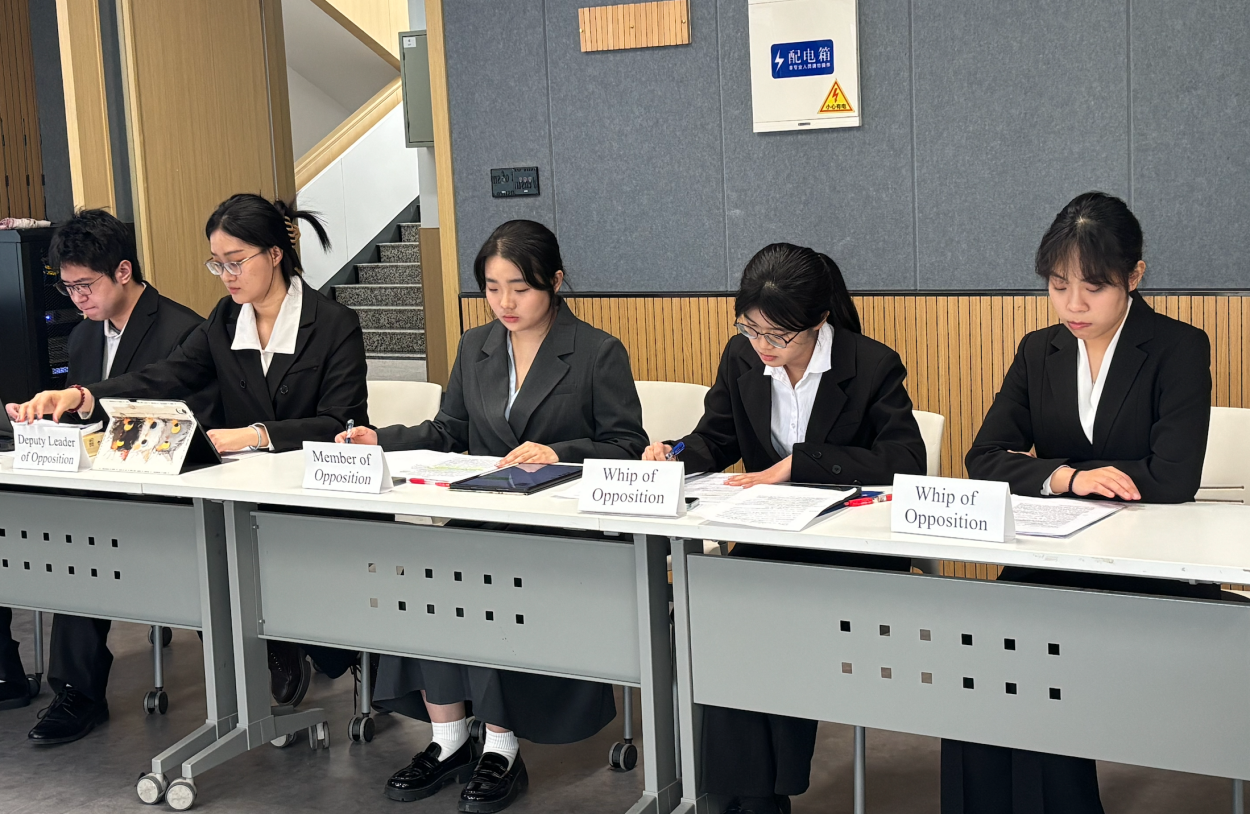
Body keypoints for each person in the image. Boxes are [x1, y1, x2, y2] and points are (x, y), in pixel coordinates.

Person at [338, 219, 648, 813]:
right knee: (423, 576)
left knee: (493, 581)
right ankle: (450, 737)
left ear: (555, 282)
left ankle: (501, 748)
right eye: (492, 287)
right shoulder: (475, 346)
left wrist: (559, 452)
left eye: (520, 288)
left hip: (557, 530)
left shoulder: (596, 351)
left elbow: (628, 445)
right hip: (480, 516)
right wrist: (381, 439)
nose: (505, 302)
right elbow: (449, 432)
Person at [15, 193, 370, 707]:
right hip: (243, 489)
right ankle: (270, 653)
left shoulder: (334, 323)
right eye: (217, 264)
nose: (226, 276)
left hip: (309, 490)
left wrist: (253, 434)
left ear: (274, 254)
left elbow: (341, 421)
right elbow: (169, 375)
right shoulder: (226, 318)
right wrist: (82, 396)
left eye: (235, 262)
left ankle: (303, 645)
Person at [944, 192, 1213, 814]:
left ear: (1134, 276)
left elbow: (1173, 477)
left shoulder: (1178, 347)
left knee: (1041, 656)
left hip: (1143, 565)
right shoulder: (1039, 350)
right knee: (974, 657)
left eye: (1093, 287)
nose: (1073, 305)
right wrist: (1067, 478)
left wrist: (1059, 473)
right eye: (1058, 285)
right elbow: (984, 456)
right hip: (1051, 558)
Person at [642, 242, 926, 814]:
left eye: (778, 335)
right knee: (722, 608)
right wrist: (674, 454)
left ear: (819, 320)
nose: (763, 347)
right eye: (750, 329)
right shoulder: (741, 357)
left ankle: (761, 794)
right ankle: (742, 794)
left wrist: (803, 463)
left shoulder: (870, 364)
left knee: (777, 614)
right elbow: (715, 437)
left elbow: (906, 460)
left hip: (845, 546)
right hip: (770, 536)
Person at [0, 209, 213, 744]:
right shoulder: (83, 338)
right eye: (68, 288)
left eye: (85, 286)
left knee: (81, 538)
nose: (77, 299)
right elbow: (84, 423)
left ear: (122, 270)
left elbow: (190, 425)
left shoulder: (184, 330)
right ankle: (41, 680)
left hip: (166, 493)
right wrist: (43, 424)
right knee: (43, 525)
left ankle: (79, 692)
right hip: (100, 484)